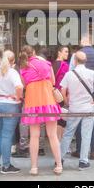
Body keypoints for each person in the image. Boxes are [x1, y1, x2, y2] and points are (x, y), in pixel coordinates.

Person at [59, 51, 94, 170]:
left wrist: (66, 101)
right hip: (88, 108)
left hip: (74, 108)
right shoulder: (91, 73)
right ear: (85, 61)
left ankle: (59, 159)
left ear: (75, 61)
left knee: (68, 134)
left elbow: (62, 91)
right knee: (86, 134)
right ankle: (83, 161)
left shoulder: (69, 74)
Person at [19, 45, 63, 176]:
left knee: (34, 136)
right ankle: (59, 165)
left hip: (32, 103)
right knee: (53, 135)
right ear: (34, 52)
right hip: (48, 101)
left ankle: (34, 167)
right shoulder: (46, 64)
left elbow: (24, 85)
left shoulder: (23, 67)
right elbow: (54, 82)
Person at [70, 34, 94, 160]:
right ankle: (93, 151)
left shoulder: (76, 55)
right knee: (93, 119)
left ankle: (80, 149)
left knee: (78, 117)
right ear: (91, 42)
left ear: (82, 42)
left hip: (78, 90)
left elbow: (71, 72)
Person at [0, 50, 23, 174]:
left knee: (1, 134)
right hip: (10, 105)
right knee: (7, 135)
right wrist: (18, 97)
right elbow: (19, 87)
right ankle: (6, 165)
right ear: (13, 61)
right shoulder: (13, 72)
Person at [53, 46, 70, 140]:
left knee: (58, 119)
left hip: (53, 95)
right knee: (62, 120)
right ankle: (61, 143)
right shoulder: (64, 65)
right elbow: (65, 83)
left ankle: (57, 142)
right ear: (59, 52)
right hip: (61, 95)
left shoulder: (52, 65)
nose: (67, 53)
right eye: (65, 51)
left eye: (68, 52)